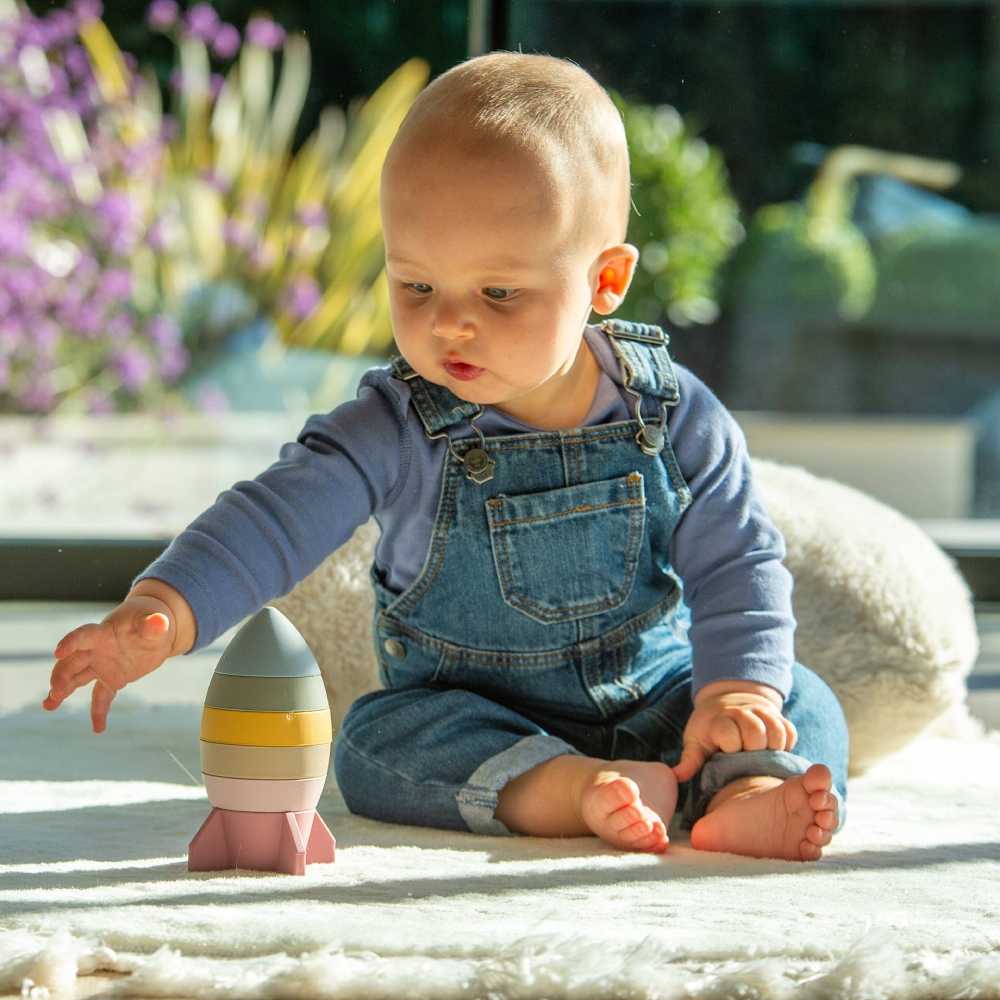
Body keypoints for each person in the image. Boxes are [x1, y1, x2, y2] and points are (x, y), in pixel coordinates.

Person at [44, 51, 849, 861]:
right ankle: (569, 790)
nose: (449, 325)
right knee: (373, 742)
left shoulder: (671, 412)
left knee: (801, 698)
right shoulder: (397, 424)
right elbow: (277, 516)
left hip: (662, 699)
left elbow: (739, 560)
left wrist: (736, 695)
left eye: (498, 293)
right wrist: (167, 606)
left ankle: (745, 789)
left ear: (605, 281)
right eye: (417, 287)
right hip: (477, 718)